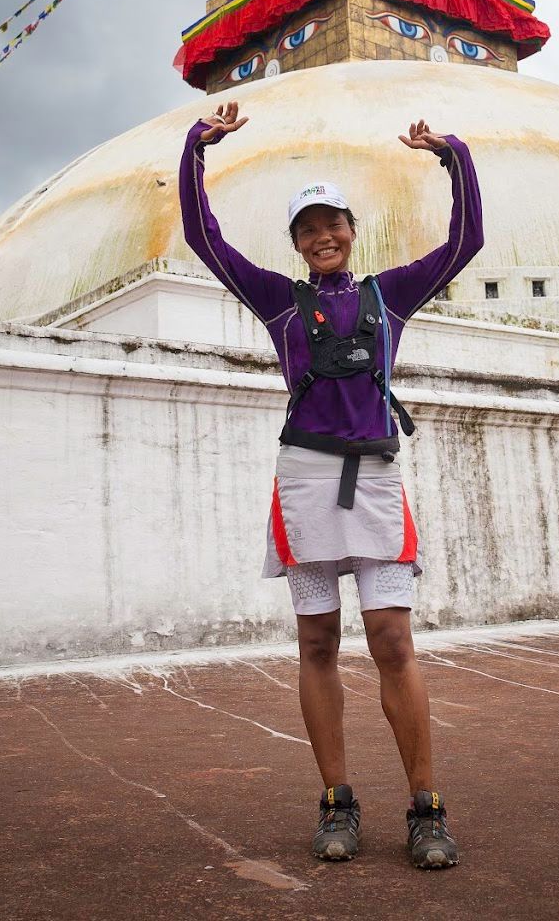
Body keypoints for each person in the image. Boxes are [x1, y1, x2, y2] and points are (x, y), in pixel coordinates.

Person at [179, 100, 483, 868]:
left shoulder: (389, 296)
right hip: (306, 480)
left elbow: (466, 239)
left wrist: (452, 156)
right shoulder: (280, 303)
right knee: (317, 641)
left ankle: (426, 806)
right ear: (295, 241)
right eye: (307, 228)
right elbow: (202, 238)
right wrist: (196, 148)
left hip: (376, 478)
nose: (323, 237)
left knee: (392, 640)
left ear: (351, 231)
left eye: (334, 224)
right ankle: (336, 802)